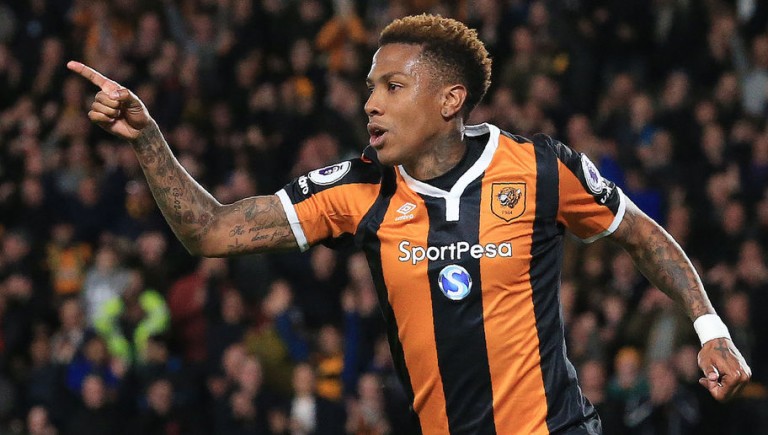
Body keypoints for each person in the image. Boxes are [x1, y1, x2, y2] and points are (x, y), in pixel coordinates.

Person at [68, 13, 750, 434]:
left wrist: (710, 329)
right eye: (370, 87)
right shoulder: (356, 188)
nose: (371, 103)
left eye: (392, 87)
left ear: (450, 99)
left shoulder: (541, 168)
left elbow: (640, 234)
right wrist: (148, 138)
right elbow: (212, 231)